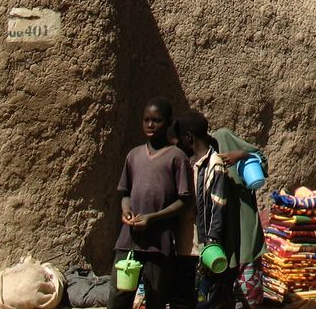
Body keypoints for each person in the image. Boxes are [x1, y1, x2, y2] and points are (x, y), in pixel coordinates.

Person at [108, 98, 192, 309]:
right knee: (118, 299)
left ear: (169, 123)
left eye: (156, 120)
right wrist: (126, 211)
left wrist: (152, 218)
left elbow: (184, 201)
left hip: (159, 243)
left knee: (156, 299)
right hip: (129, 239)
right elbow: (125, 193)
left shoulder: (177, 157)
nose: (150, 125)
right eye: (146, 120)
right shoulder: (134, 155)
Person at [175, 110, 235, 309]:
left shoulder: (214, 164)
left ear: (188, 137)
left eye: (181, 139)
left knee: (205, 302)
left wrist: (211, 242)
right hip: (187, 245)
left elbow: (218, 205)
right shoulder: (194, 163)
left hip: (203, 247)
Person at [211, 128, 267, 308]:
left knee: (248, 297)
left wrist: (242, 155)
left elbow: (261, 159)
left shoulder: (223, 139)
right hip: (221, 237)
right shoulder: (203, 158)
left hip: (243, 229)